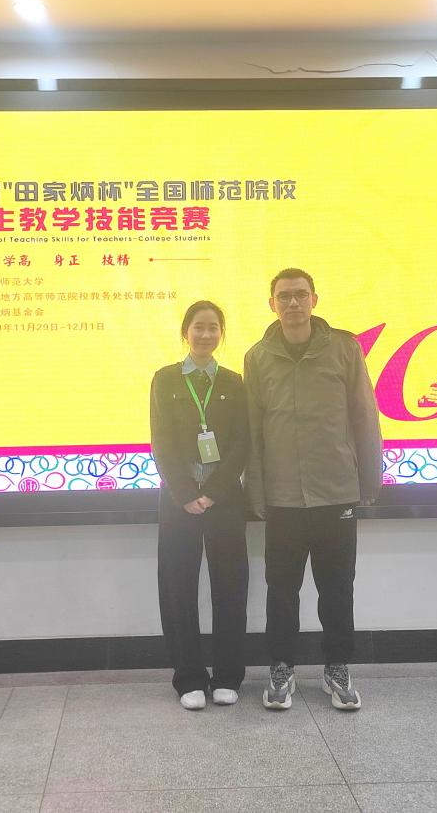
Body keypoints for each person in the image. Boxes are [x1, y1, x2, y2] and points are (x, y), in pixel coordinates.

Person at [244, 268, 382, 711]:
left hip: (335, 491)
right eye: (284, 296)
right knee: (281, 588)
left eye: (300, 295)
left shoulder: (344, 348)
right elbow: (253, 430)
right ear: (272, 304)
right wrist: (256, 491)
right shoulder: (257, 357)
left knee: (337, 587)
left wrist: (370, 479)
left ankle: (336, 667)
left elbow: (364, 414)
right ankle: (281, 666)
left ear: (314, 300)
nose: (293, 303)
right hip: (283, 495)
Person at [150, 300, 250, 710]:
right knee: (178, 587)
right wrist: (187, 493)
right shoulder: (165, 379)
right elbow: (161, 441)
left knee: (231, 586)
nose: (206, 334)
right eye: (198, 326)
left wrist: (214, 491)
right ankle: (188, 678)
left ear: (221, 334)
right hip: (179, 500)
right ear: (185, 332)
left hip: (224, 499)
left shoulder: (233, 382)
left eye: (213, 327)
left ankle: (228, 676)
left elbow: (242, 443)